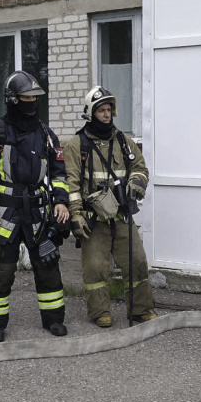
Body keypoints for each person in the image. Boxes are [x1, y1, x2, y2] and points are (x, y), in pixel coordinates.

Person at [0, 70, 70, 343]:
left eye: (34, 97)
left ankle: (54, 321)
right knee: (1, 269)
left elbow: (59, 173)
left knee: (47, 265)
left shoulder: (46, 133)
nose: (32, 102)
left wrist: (61, 202)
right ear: (13, 99)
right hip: (4, 213)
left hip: (39, 211)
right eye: (27, 97)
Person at [63, 86, 157, 327]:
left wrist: (136, 184)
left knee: (136, 261)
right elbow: (71, 183)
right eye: (101, 110)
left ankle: (140, 309)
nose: (107, 115)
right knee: (95, 268)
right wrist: (75, 215)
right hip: (94, 219)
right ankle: (99, 312)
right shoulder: (77, 145)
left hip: (122, 215)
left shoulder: (123, 141)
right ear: (90, 113)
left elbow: (141, 168)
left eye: (109, 110)